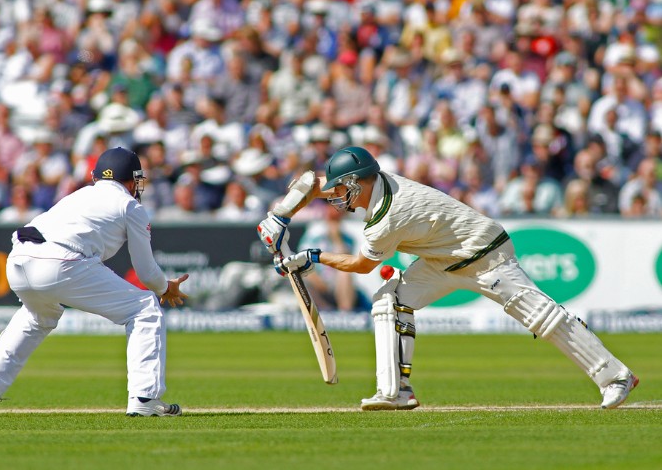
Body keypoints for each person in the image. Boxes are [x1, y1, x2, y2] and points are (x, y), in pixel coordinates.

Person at [258, 146, 638, 411]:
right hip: (441, 261)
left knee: (544, 318)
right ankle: (395, 392)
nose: (337, 196)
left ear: (358, 183)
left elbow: (361, 266)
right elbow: (310, 181)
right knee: (389, 301)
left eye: (343, 190)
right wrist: (280, 216)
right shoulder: (373, 182)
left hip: (485, 256)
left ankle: (616, 377)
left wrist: (310, 257)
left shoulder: (387, 218)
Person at [0, 148, 189, 417]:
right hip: (61, 261)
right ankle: (145, 397)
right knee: (145, 308)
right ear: (131, 179)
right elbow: (146, 272)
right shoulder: (130, 205)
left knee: (38, 317)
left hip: (19, 258)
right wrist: (165, 287)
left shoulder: (80, 194)